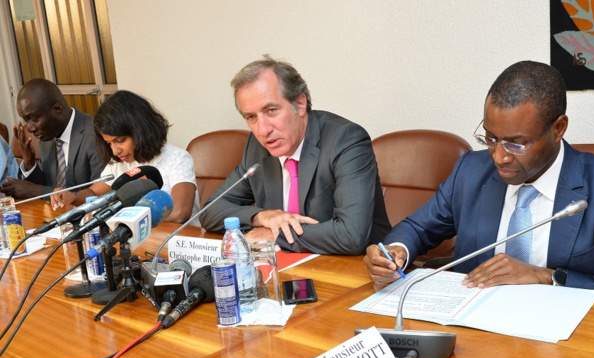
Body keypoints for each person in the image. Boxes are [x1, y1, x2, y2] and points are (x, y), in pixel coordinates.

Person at [365, 60, 594, 301]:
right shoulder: (472, 170)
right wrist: (395, 253)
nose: (499, 157)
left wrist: (546, 277)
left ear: (558, 128)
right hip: (474, 333)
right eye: (490, 138)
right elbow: (417, 228)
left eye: (517, 144)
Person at [199, 55, 391, 254]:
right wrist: (262, 217)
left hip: (355, 268)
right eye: (251, 117)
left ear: (299, 104)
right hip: (288, 267)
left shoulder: (345, 140)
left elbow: (351, 235)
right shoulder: (257, 148)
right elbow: (210, 211)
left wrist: (275, 235)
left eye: (271, 110)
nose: (263, 130)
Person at [50, 90, 200, 224]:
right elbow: (94, 194)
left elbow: (179, 213)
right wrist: (73, 197)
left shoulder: (177, 158)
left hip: (176, 244)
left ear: (141, 130)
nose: (115, 151)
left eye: (120, 140)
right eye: (109, 143)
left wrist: (126, 214)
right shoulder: (119, 163)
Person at [2, 79, 105, 199]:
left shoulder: (95, 136)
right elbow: (48, 185)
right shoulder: (49, 135)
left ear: (57, 110)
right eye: (26, 120)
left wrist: (36, 191)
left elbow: (99, 194)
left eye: (34, 119)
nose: (29, 128)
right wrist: (29, 162)